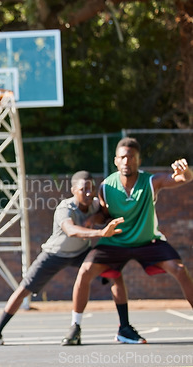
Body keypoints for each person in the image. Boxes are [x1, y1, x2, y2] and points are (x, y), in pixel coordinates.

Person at [61, 137, 193, 346]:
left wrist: (185, 172)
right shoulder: (106, 187)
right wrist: (93, 221)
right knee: (85, 272)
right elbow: (104, 215)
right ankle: (75, 327)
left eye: (131, 157)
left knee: (179, 269)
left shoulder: (151, 181)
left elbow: (182, 179)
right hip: (115, 243)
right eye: (122, 157)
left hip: (148, 242)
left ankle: (124, 329)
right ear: (116, 160)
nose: (126, 161)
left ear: (138, 160)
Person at [0, 171, 125, 346]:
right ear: (73, 190)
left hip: (81, 253)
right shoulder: (65, 208)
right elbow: (71, 230)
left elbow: (106, 214)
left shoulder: (95, 205)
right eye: (84, 189)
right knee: (23, 289)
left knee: (115, 274)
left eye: (92, 189)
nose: (89, 193)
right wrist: (100, 232)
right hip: (55, 254)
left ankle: (124, 327)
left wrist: (96, 218)